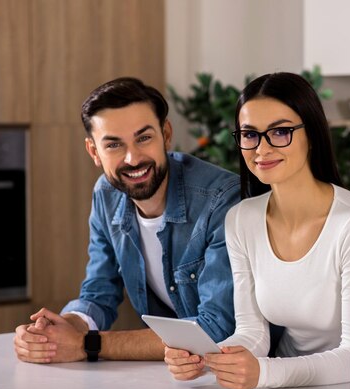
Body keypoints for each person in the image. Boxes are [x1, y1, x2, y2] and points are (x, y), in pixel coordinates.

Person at [164, 72, 350, 389]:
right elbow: (253, 333)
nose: (262, 149)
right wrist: (208, 359)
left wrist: (264, 373)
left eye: (280, 132)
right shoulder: (241, 219)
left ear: (311, 134)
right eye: (250, 134)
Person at [13, 77, 240, 363]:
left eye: (144, 138)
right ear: (94, 152)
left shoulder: (220, 199)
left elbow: (217, 327)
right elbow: (98, 292)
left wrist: (87, 344)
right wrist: (58, 330)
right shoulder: (107, 195)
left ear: (166, 134)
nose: (133, 159)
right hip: (179, 375)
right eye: (114, 145)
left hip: (248, 377)